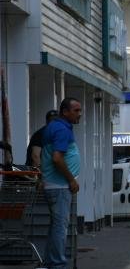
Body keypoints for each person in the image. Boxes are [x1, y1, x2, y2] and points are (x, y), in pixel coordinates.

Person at [41, 98, 82, 269]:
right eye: (76, 110)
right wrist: (71, 179)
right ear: (65, 112)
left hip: (55, 184)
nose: (80, 114)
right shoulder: (61, 129)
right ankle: (57, 264)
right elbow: (57, 158)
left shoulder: (56, 126)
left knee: (56, 226)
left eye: (80, 110)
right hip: (59, 186)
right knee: (60, 227)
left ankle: (51, 261)